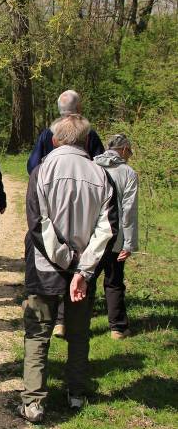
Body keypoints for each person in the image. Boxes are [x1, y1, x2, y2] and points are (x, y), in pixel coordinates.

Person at [20, 115, 118, 424]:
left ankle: (33, 402)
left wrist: (67, 261)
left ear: (53, 140)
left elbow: (38, 224)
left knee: (38, 333)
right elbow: (107, 230)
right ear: (87, 141)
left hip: (45, 267)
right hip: (82, 271)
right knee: (78, 334)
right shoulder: (102, 176)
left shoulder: (41, 172)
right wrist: (82, 269)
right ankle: (75, 394)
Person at [27, 90, 105, 339]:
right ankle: (68, 320)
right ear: (79, 107)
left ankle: (55, 320)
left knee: (52, 255)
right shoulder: (87, 133)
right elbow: (101, 164)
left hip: (52, 203)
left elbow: (32, 165)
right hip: (86, 205)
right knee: (79, 260)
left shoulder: (49, 132)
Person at [94, 134, 138, 339]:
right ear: (124, 149)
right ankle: (118, 328)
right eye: (129, 152)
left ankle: (65, 322)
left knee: (83, 278)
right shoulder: (128, 173)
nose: (129, 156)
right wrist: (129, 243)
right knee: (114, 281)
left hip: (90, 236)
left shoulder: (91, 166)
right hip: (115, 236)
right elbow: (129, 211)